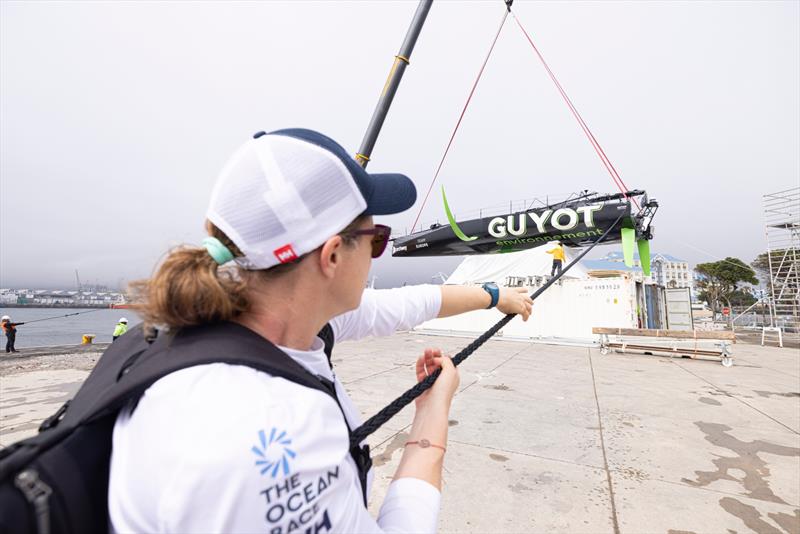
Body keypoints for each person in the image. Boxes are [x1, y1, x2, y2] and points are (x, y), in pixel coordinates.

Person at [109, 129, 462, 533]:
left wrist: (496, 296)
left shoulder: (212, 332)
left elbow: (404, 305)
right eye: (376, 239)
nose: (376, 253)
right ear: (332, 255)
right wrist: (433, 411)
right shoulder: (281, 429)